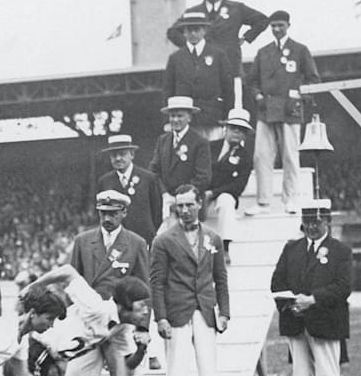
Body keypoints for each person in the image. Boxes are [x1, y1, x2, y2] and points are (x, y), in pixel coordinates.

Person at [151, 185, 234, 376]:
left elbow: (220, 279)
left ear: (200, 204)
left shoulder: (213, 238)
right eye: (180, 205)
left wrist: (225, 314)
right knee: (176, 374)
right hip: (177, 313)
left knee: (209, 373)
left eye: (189, 205)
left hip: (206, 312)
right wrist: (160, 318)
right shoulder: (164, 240)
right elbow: (157, 283)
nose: (184, 210)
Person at [271, 200, 352, 376]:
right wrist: (290, 304)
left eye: (316, 222)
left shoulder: (340, 250)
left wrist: (314, 300)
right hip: (296, 322)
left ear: (327, 221)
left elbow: (343, 287)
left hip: (326, 321)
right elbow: (277, 282)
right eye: (307, 222)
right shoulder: (291, 249)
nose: (311, 227)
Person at [244, 10, 321, 216]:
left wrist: (299, 97)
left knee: (290, 155)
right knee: (261, 156)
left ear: (288, 25)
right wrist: (258, 96)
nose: (277, 29)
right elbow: (252, 81)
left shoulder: (300, 50)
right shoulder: (263, 52)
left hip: (290, 109)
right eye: (273, 26)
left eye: (280, 25)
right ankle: (263, 202)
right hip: (266, 110)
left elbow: (313, 79)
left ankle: (291, 199)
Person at [166, 0, 269, 74]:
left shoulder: (236, 9)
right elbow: (172, 32)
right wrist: (191, 45)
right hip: (202, 67)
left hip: (230, 65)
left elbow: (262, 20)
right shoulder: (194, 12)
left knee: (232, 91)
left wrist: (246, 37)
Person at [163, 12, 235, 140]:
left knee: (213, 155)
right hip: (185, 120)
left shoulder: (218, 55)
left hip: (212, 118)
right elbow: (168, 90)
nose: (193, 34)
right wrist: (170, 119)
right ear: (184, 32)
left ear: (204, 30)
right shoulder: (175, 58)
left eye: (197, 30)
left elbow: (228, 89)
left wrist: (227, 117)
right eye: (189, 30)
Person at [68, 191, 150, 300]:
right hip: (90, 310)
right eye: (103, 213)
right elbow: (73, 283)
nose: (107, 219)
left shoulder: (137, 243)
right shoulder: (82, 241)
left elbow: (143, 289)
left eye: (113, 214)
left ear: (124, 212)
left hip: (120, 312)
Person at [150, 96, 212, 234]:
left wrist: (180, 198)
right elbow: (154, 171)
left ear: (189, 117)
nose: (175, 120)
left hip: (189, 206)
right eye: (172, 116)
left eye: (180, 116)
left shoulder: (199, 142)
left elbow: (203, 177)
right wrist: (165, 194)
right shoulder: (163, 140)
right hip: (166, 205)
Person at [205, 108, 255, 263]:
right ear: (225, 129)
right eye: (234, 128)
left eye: (241, 130)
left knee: (226, 201)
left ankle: (224, 248)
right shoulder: (209, 147)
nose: (237, 132)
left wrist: (213, 193)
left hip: (223, 194)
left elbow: (238, 186)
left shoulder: (245, 157)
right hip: (202, 191)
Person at [95, 134, 163, 243]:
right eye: (114, 155)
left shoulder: (148, 178)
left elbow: (157, 213)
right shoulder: (104, 181)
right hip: (115, 241)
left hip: (144, 238)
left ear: (132, 155)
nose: (118, 159)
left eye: (122, 154)